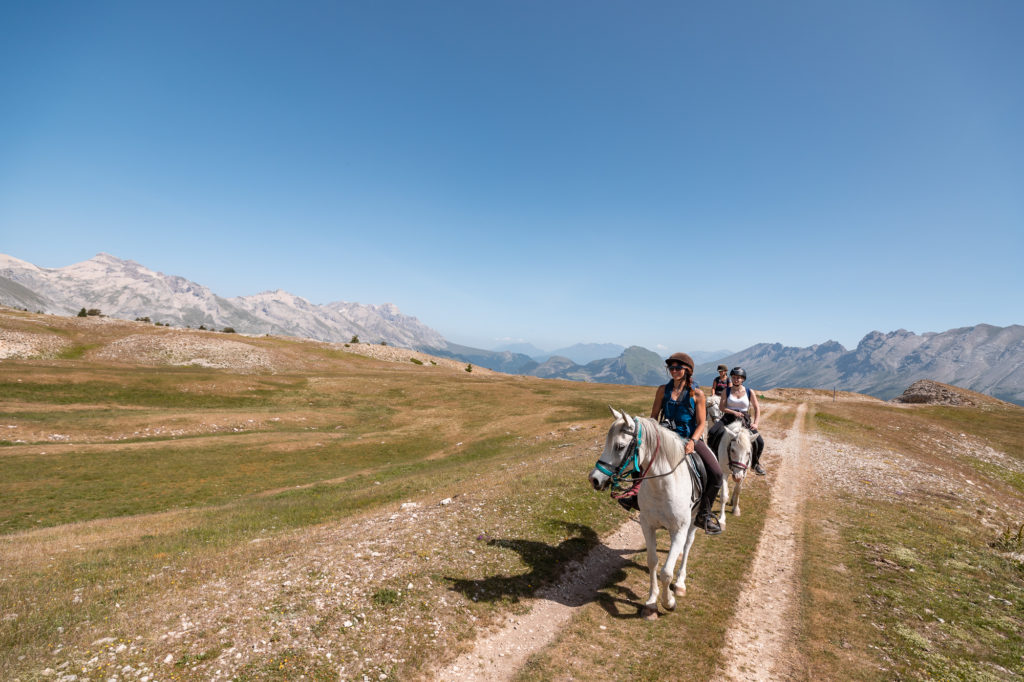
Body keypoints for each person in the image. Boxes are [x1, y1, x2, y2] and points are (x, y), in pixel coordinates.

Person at [649, 352, 724, 535]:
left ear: (687, 371)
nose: (674, 371)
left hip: (688, 438)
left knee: (716, 474)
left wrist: (692, 442)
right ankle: (634, 496)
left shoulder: (697, 394)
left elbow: (700, 424)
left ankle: (703, 515)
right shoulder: (662, 390)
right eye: (671, 368)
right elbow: (654, 417)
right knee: (641, 457)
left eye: (678, 368)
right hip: (666, 437)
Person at [707, 367, 766, 475]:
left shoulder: (749, 391)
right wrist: (733, 412)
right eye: (734, 377)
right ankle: (713, 460)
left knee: (760, 442)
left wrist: (756, 423)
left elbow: (757, 408)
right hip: (728, 417)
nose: (736, 379)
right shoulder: (727, 391)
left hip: (744, 419)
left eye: (738, 378)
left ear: (743, 379)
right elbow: (722, 407)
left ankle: (755, 464)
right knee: (712, 433)